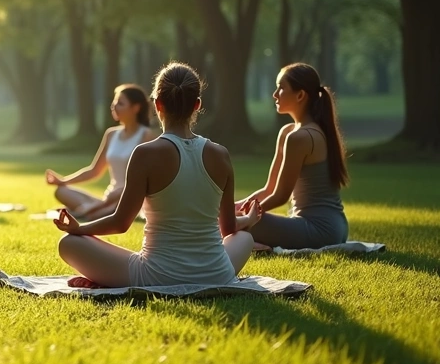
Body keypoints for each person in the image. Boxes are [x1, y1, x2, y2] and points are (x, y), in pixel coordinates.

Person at [53, 63, 257, 288]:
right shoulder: (221, 154)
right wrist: (248, 220)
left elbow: (121, 223)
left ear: (157, 104)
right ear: (197, 105)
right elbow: (228, 228)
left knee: (69, 243)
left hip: (156, 277)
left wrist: (79, 229)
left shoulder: (145, 153)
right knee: (244, 237)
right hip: (216, 274)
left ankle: (105, 278)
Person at [235, 63, 349, 249]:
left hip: (320, 230)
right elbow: (270, 188)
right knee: (231, 220)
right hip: (333, 227)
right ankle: (256, 244)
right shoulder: (289, 132)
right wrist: (238, 206)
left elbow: (280, 196)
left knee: (230, 225)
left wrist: (245, 218)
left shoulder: (302, 137)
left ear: (300, 95)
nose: (275, 94)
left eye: (281, 88)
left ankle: (255, 243)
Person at [45, 84, 158, 221]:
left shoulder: (146, 136)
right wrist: (63, 181)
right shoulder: (111, 134)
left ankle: (93, 210)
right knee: (61, 191)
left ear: (136, 108)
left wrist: (115, 197)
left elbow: (146, 181)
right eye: (114, 102)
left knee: (95, 212)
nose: (114, 106)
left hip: (130, 199)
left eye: (120, 103)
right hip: (108, 197)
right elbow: (94, 170)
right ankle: (95, 209)